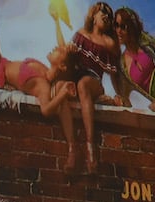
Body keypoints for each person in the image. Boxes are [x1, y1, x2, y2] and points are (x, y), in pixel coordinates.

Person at [62, 2, 121, 173]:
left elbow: (116, 72)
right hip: (76, 74)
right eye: (103, 12)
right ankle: (72, 149)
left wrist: (120, 95)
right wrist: (70, 52)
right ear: (93, 16)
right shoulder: (80, 34)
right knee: (61, 88)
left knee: (83, 85)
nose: (106, 16)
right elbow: (68, 62)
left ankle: (90, 148)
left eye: (109, 15)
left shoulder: (108, 42)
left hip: (92, 79)